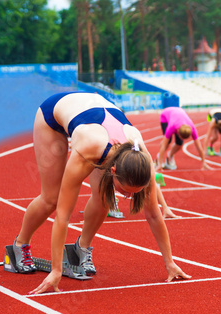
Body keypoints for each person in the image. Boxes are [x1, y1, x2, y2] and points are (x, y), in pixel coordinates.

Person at [12, 92, 190, 295]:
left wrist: (170, 262)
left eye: (134, 193)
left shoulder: (143, 162)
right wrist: (56, 270)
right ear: (112, 170)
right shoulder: (86, 150)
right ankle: (20, 245)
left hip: (98, 121)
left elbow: (154, 214)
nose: (128, 197)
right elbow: (63, 216)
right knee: (51, 199)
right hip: (53, 116)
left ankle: (82, 248)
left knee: (104, 200)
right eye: (125, 191)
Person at [155, 106, 211, 171]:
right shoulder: (171, 127)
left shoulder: (192, 128)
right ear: (178, 132)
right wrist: (160, 164)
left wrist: (204, 163)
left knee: (179, 144)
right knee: (168, 141)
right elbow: (164, 145)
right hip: (165, 115)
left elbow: (199, 147)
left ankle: (170, 155)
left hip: (178, 114)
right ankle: (159, 157)